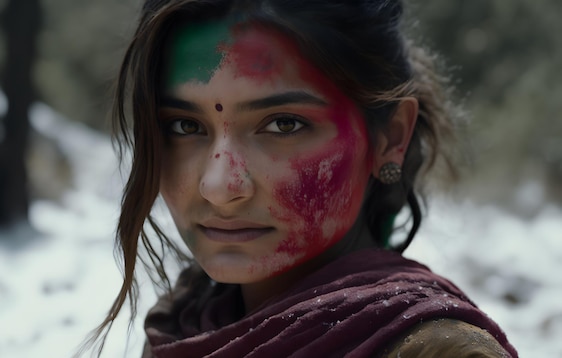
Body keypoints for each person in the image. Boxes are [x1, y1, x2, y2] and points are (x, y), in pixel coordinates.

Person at [83, 0, 519, 357]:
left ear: (390, 136)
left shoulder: (437, 352)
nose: (218, 185)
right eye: (184, 126)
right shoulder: (186, 324)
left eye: (284, 125)